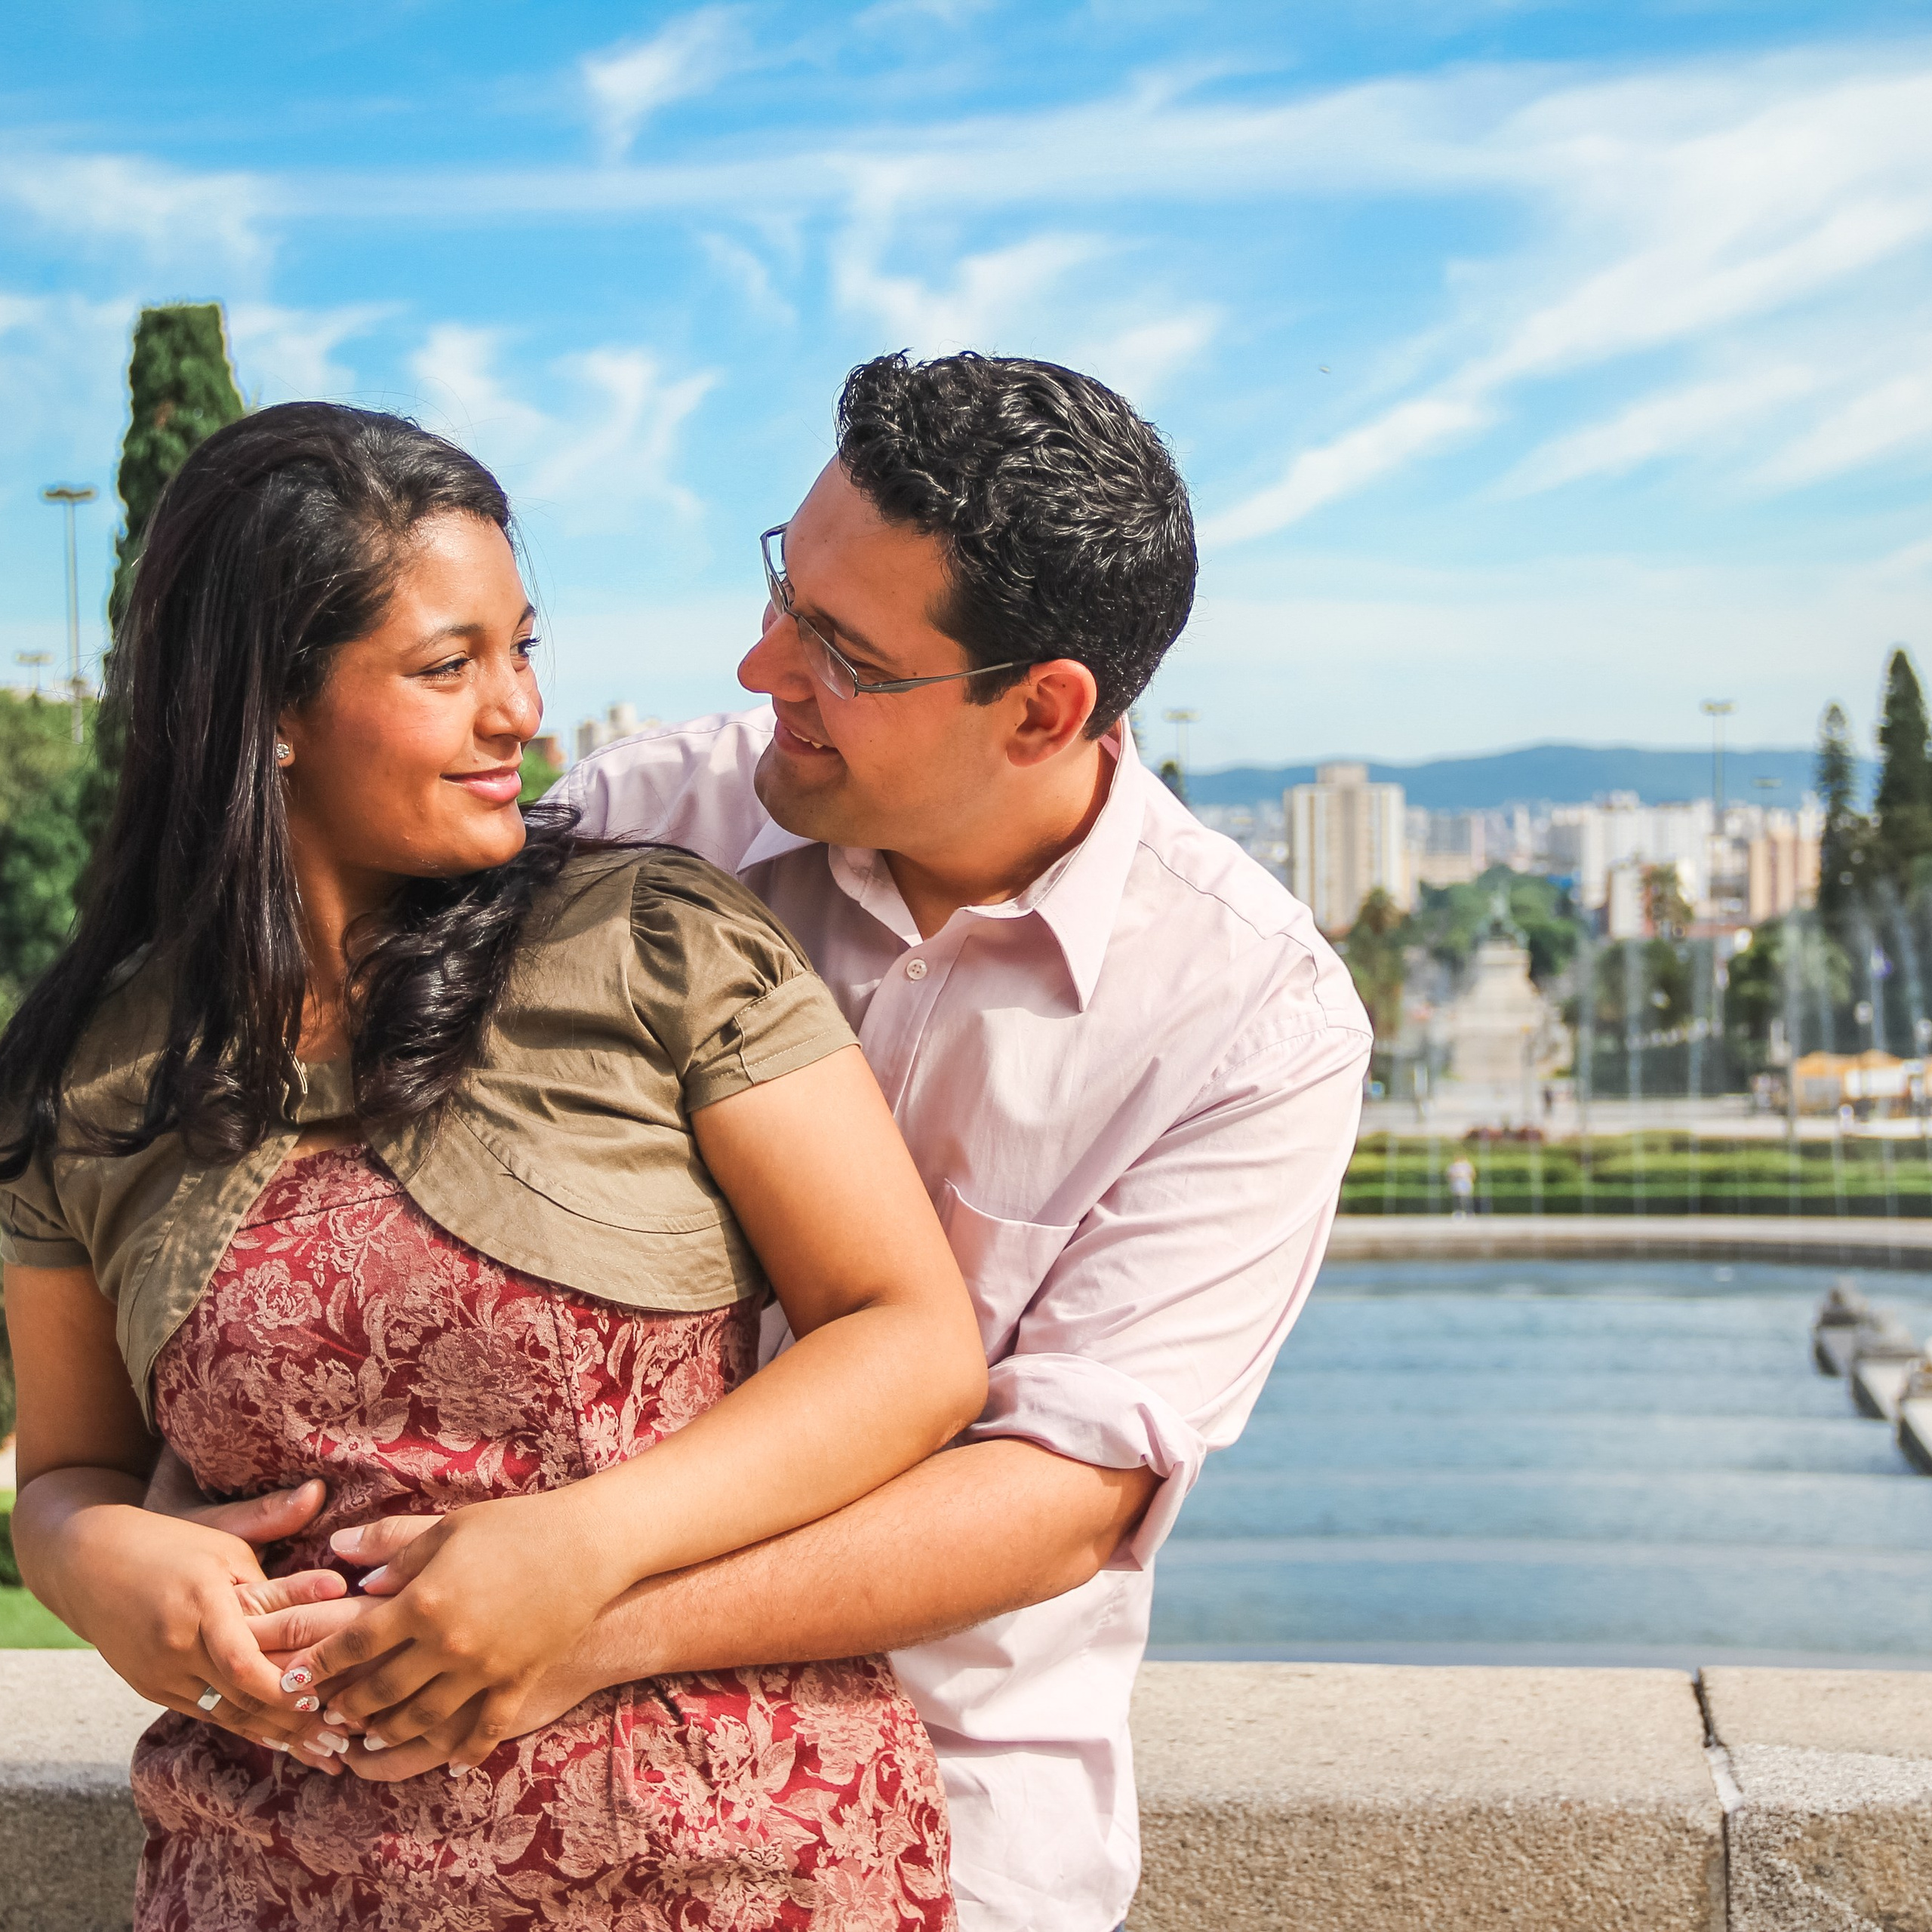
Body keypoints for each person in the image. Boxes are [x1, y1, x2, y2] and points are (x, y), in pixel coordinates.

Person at [246, 352, 1373, 1932]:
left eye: (842, 651)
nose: (759, 660)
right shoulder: (644, 823)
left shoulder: (1251, 1016)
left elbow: (1060, 1495)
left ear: (1042, 708)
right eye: (786, 588)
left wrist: (590, 1608)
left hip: (951, 1813)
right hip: (499, 1788)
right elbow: (339, 1204)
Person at [0, 403, 989, 1930]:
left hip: (730, 1866)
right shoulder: (87, 1080)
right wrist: (99, 1560)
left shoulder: (654, 944)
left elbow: (911, 1339)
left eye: (520, 649)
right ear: (267, 706)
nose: (518, 712)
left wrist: (587, 1542)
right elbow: (67, 1469)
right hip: (265, 1880)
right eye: (446, 665)